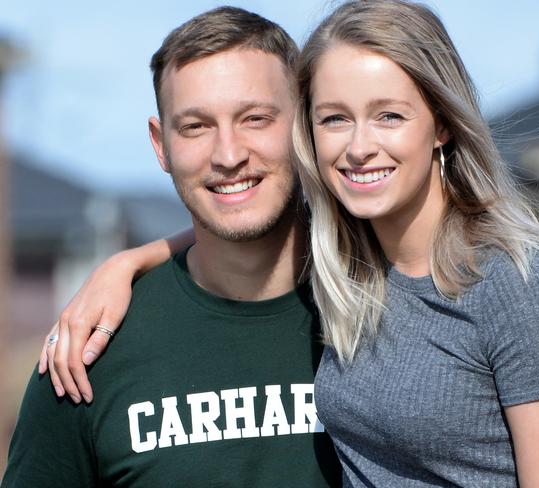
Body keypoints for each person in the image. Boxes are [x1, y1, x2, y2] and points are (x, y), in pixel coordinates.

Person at [38, 1, 539, 486]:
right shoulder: (353, 266)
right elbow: (240, 222)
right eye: (334, 119)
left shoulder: (517, 284)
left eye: (390, 116)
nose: (359, 146)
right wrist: (131, 261)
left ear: (441, 123)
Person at [2, 7, 341, 487]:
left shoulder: (390, 308)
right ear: (161, 145)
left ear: (304, 123)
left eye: (255, 118)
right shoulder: (88, 350)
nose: (229, 154)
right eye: (196, 127)